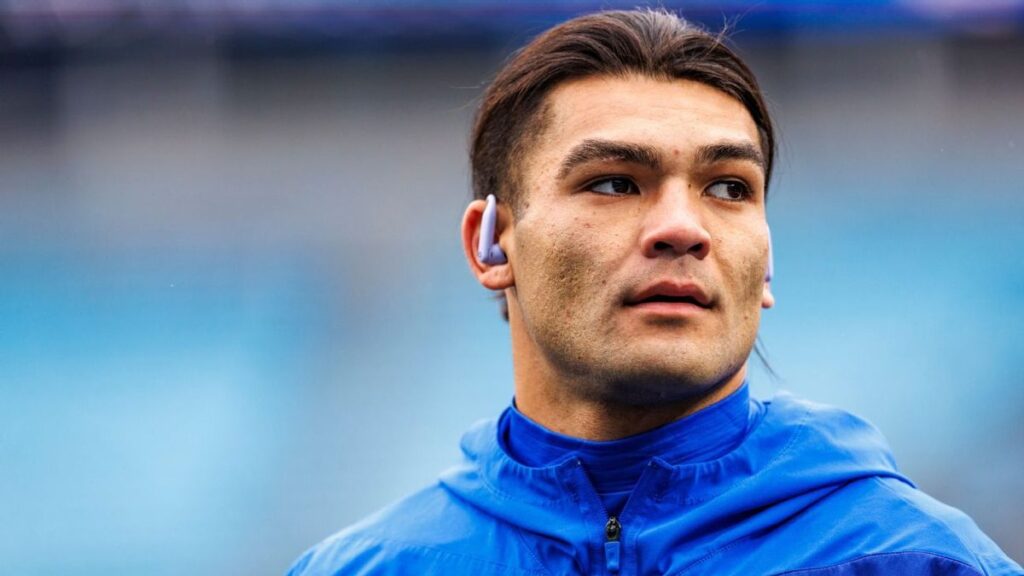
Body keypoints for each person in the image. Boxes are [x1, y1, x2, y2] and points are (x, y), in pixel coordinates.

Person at [287, 9, 1022, 576]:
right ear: (491, 243)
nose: (683, 227)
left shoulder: (913, 560)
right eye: (614, 182)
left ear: (767, 266)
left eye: (729, 189)